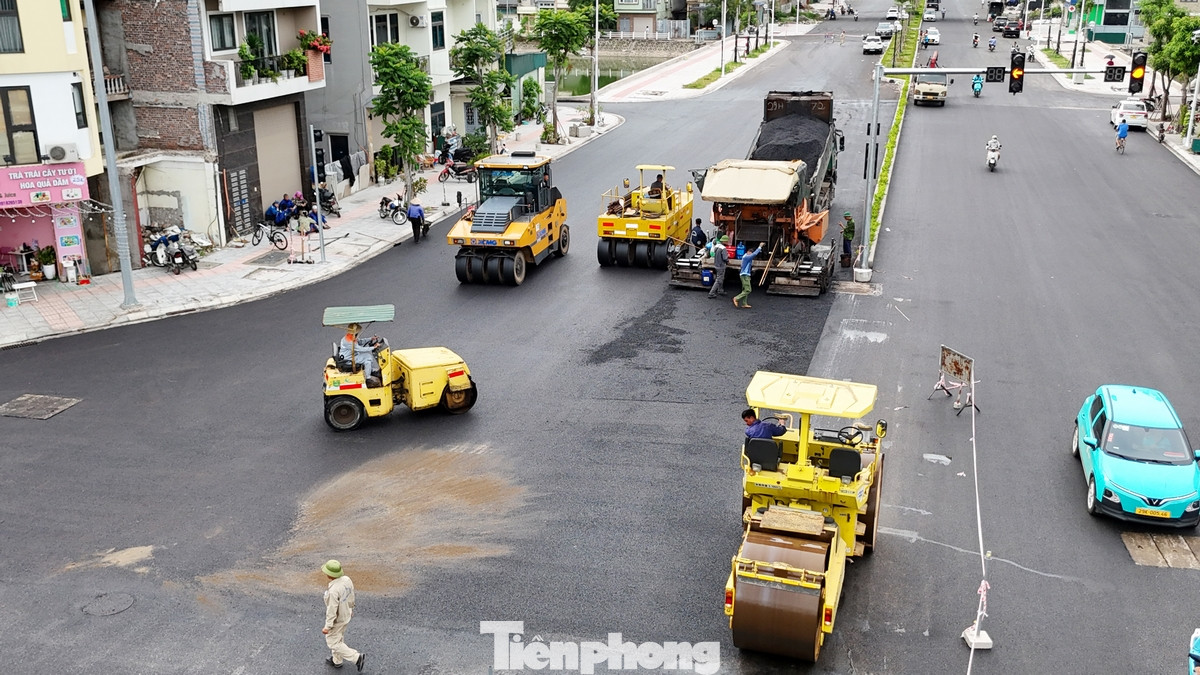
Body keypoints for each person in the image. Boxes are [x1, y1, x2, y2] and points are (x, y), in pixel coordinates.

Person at [320, 560, 366, 672]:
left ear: (329, 575)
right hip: (346, 614)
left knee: (332, 642)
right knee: (338, 637)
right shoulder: (346, 580)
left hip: (338, 619)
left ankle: (356, 657)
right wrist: (351, 608)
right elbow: (351, 595)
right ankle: (337, 661)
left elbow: (331, 611)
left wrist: (328, 626)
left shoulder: (333, 591)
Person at [732, 242, 764, 309]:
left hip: (744, 275)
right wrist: (760, 247)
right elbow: (754, 254)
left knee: (745, 289)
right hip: (745, 275)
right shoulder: (747, 257)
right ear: (748, 252)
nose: (752, 255)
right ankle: (736, 298)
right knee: (748, 290)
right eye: (751, 253)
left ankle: (744, 303)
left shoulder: (745, 256)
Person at [708, 234, 730, 298]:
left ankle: (720, 290)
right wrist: (728, 261)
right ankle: (711, 293)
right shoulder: (723, 248)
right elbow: (725, 258)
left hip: (716, 264)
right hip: (721, 265)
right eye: (727, 241)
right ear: (725, 241)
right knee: (719, 279)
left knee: (721, 278)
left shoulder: (717, 246)